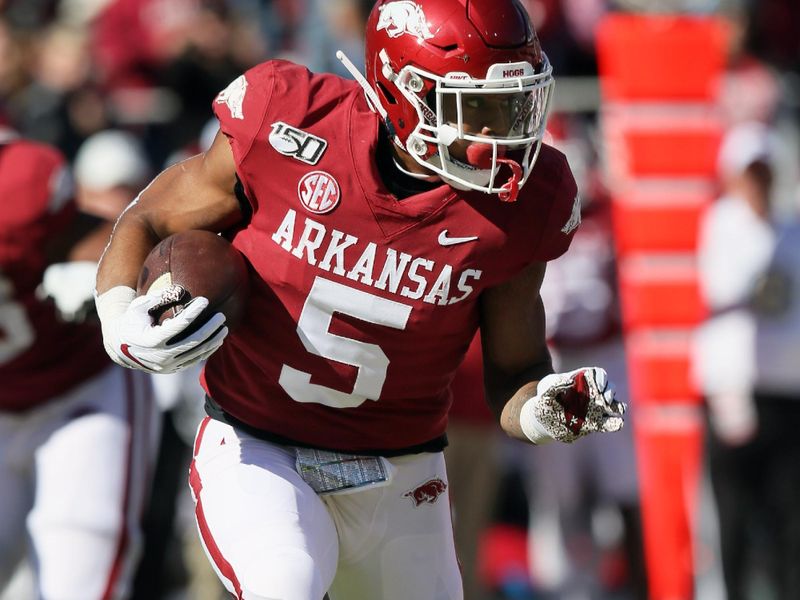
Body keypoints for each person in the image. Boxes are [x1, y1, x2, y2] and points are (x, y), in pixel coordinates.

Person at [93, 1, 627, 598]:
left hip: (403, 473)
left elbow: (515, 371)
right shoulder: (291, 122)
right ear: (402, 92)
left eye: (514, 106)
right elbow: (151, 217)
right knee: (285, 583)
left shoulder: (524, 205)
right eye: (477, 107)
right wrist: (118, 317)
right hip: (260, 445)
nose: (501, 135)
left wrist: (542, 409)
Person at [0, 133, 159, 599]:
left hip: (80, 391)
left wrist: (99, 278)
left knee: (80, 566)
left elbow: (98, 236)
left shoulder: (21, 181)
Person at [693, 121, 800, 600]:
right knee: (733, 515)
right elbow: (725, 290)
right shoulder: (721, 223)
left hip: (786, 388)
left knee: (788, 517)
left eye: (764, 171)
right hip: (733, 387)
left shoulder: (790, 229)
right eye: (749, 172)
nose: (759, 182)